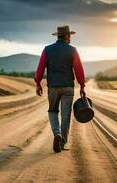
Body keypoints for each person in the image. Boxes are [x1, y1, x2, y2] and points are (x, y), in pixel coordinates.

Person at [34, 25, 86, 153]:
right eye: (70, 36)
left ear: (58, 36)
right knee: (66, 115)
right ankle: (62, 142)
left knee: (52, 111)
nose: (71, 39)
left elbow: (40, 69)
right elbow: (79, 70)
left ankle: (57, 133)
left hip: (53, 87)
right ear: (67, 36)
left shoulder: (47, 50)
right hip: (68, 87)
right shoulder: (73, 50)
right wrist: (82, 86)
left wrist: (38, 83)